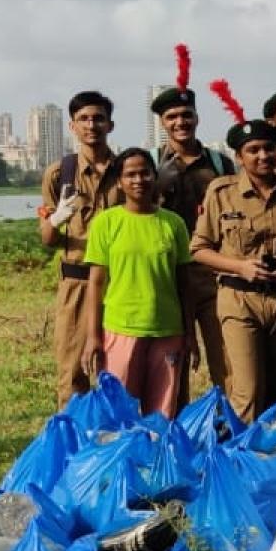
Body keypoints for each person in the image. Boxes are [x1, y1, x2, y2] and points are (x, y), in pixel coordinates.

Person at [189, 119, 276, 423]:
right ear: (239, 157)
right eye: (253, 150)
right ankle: (241, 460)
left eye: (269, 148)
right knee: (247, 390)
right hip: (240, 300)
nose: (263, 156)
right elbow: (199, 249)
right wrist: (240, 266)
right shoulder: (222, 192)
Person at [82, 148, 194, 418]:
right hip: (121, 328)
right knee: (119, 412)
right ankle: (123, 460)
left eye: (145, 173)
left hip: (167, 330)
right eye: (130, 174)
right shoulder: (106, 223)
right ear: (119, 182)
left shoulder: (173, 223)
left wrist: (190, 333)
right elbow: (96, 284)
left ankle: (156, 460)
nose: (138, 180)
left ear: (155, 177)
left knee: (163, 413)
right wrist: (92, 336)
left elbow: (184, 285)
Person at [39, 91, 128, 405]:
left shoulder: (128, 171)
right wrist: (56, 219)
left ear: (110, 124)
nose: (92, 125)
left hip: (123, 283)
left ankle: (118, 446)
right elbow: (48, 240)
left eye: (99, 118)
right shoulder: (59, 173)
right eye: (84, 119)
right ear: (72, 126)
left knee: (121, 373)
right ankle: (76, 447)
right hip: (77, 282)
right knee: (73, 372)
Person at [151, 74, 235, 399]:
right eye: (172, 117)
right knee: (173, 364)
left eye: (186, 115)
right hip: (168, 277)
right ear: (162, 123)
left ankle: (228, 429)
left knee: (226, 361)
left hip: (213, 275)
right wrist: (157, 183)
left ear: (197, 118)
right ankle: (177, 432)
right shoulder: (148, 163)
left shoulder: (219, 163)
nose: (180, 122)